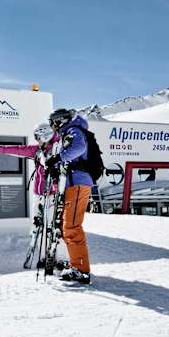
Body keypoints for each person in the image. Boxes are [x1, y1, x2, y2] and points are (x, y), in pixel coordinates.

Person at [45, 108, 93, 284]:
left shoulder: (74, 130)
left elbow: (78, 148)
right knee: (67, 225)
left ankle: (80, 269)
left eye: (54, 123)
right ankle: (76, 264)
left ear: (60, 121)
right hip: (74, 184)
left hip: (78, 183)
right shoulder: (70, 131)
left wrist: (58, 158)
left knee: (71, 226)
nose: (53, 127)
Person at [0, 123, 58, 226]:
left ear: (45, 136)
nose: (37, 140)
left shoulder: (57, 152)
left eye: (37, 137)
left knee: (50, 224)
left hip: (51, 195)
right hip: (38, 194)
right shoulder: (37, 150)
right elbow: (19, 150)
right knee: (36, 224)